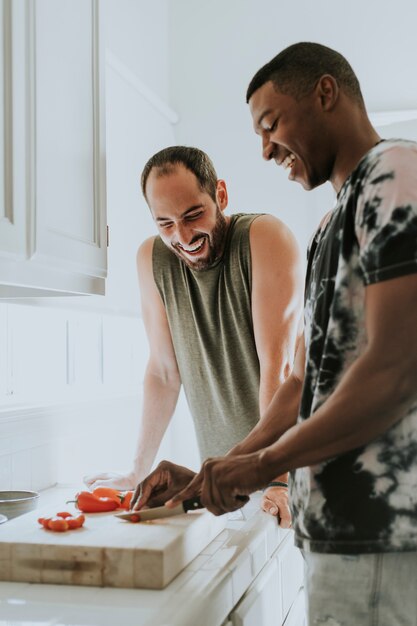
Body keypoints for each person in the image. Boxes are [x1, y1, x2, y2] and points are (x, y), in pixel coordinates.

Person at [132, 43, 417, 625]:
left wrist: (263, 469)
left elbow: (397, 369)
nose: (264, 149)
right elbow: (301, 383)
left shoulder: (398, 174)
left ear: (326, 94)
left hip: (387, 529)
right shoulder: (327, 226)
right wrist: (216, 471)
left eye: (271, 124)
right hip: (337, 531)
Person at [85, 145, 303, 525]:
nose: (183, 236)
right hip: (223, 486)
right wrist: (137, 470)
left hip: (290, 476)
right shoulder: (151, 259)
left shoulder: (266, 237)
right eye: (165, 223)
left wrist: (277, 479)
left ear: (220, 195)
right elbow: (164, 373)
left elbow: (279, 369)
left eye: (193, 215)